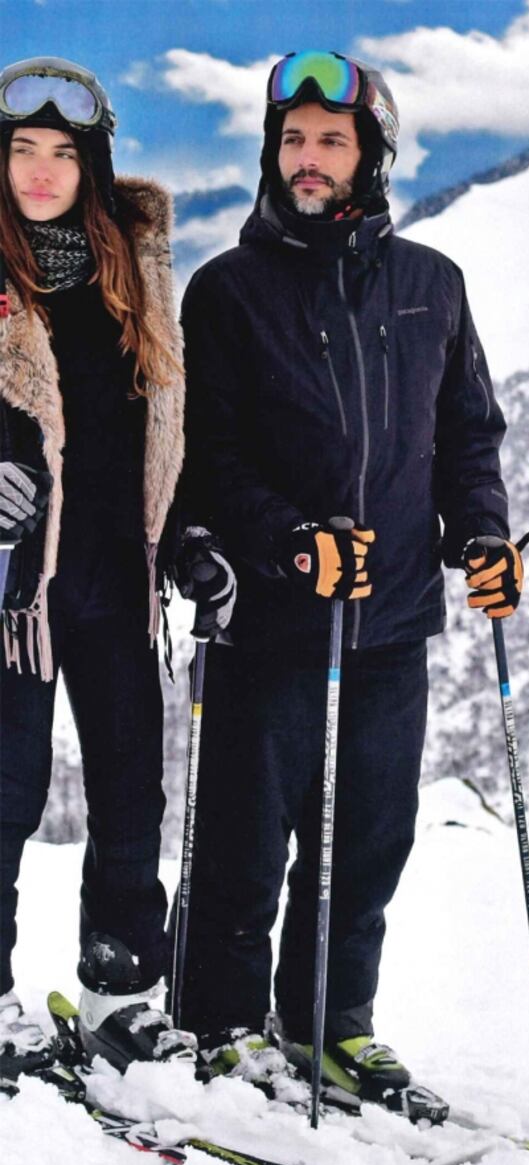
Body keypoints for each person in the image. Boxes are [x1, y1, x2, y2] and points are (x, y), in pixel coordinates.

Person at [179, 50, 524, 1103]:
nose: (307, 159)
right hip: (274, 619)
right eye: (292, 140)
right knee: (245, 838)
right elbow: (209, 456)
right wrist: (291, 537)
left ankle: (329, 1024)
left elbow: (466, 437)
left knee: (368, 841)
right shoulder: (228, 289)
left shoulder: (431, 285)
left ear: (370, 154)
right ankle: (220, 1025)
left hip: (394, 621)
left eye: (331, 140)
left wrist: (482, 537)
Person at [0, 56, 233, 1081]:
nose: (41, 170)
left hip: (115, 576)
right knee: (3, 793)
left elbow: (158, 424)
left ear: (89, 163)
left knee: (131, 791)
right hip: (13, 591)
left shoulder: (128, 271)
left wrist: (185, 538)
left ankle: (120, 990)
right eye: (20, 148)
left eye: (62, 151)